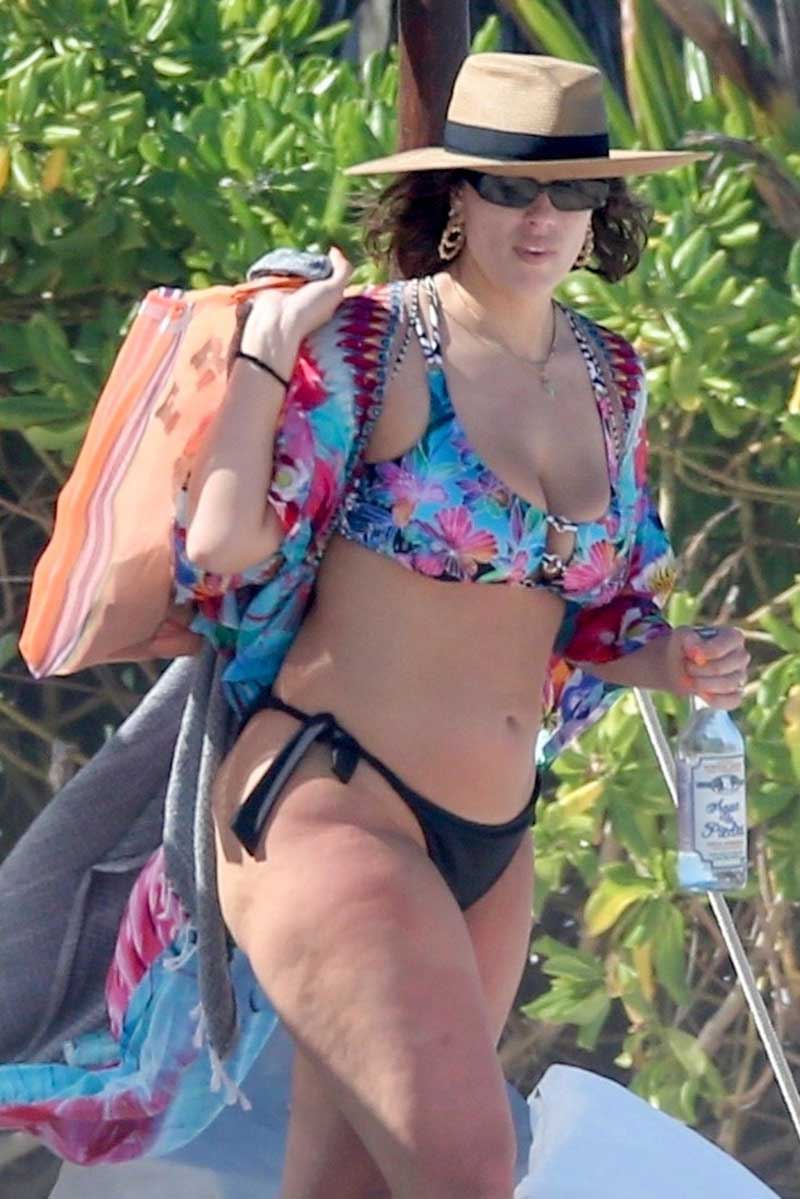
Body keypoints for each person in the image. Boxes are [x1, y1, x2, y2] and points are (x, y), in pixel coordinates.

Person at [0, 53, 751, 1199]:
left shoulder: (611, 376)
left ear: (602, 208)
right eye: (508, 186)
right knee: (466, 1173)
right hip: (334, 801)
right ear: (453, 196)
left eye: (569, 190)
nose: (540, 216)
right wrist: (265, 352)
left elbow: (596, 613)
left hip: (489, 837)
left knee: (354, 1187)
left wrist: (675, 658)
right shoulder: (377, 346)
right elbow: (224, 544)